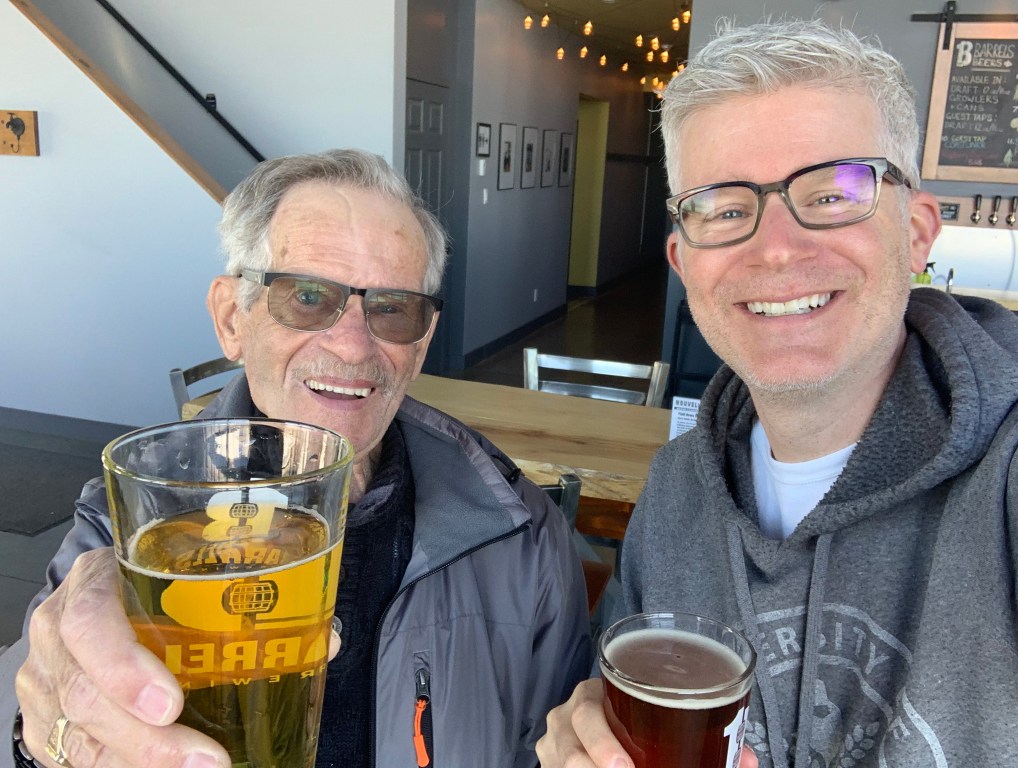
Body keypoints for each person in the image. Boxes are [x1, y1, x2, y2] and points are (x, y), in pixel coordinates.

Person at [2, 149, 591, 768]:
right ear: (233, 318)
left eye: (393, 309)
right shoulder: (133, 527)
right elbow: (47, 692)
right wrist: (43, 743)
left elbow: (553, 746)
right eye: (307, 297)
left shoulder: (520, 533)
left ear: (420, 347)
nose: (354, 343)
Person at [538, 18, 1018, 768]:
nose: (776, 248)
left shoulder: (1009, 480)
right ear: (682, 261)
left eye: (833, 195)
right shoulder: (675, 495)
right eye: (726, 210)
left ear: (919, 231)